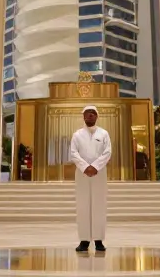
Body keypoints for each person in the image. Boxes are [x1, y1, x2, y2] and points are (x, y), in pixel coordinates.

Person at [69, 105, 111, 253]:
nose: (90, 115)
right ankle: (84, 240)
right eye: (88, 113)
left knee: (99, 204)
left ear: (97, 116)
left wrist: (95, 166)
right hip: (82, 174)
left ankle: (99, 240)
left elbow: (107, 152)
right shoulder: (77, 135)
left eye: (93, 113)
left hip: (99, 173)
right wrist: (85, 167)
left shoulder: (104, 134)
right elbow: (73, 153)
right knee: (83, 205)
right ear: (83, 116)